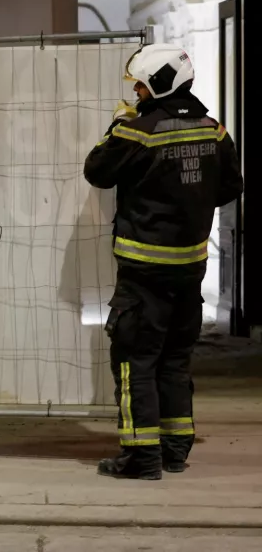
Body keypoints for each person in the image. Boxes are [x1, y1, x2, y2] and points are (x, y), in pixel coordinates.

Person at [84, 43, 244, 480]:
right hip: (190, 268)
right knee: (175, 359)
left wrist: (118, 123)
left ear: (157, 84)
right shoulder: (213, 130)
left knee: (135, 359)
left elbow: (96, 170)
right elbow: (231, 186)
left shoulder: (139, 130)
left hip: (143, 270)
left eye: (139, 84)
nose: (135, 91)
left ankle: (142, 457)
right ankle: (175, 451)